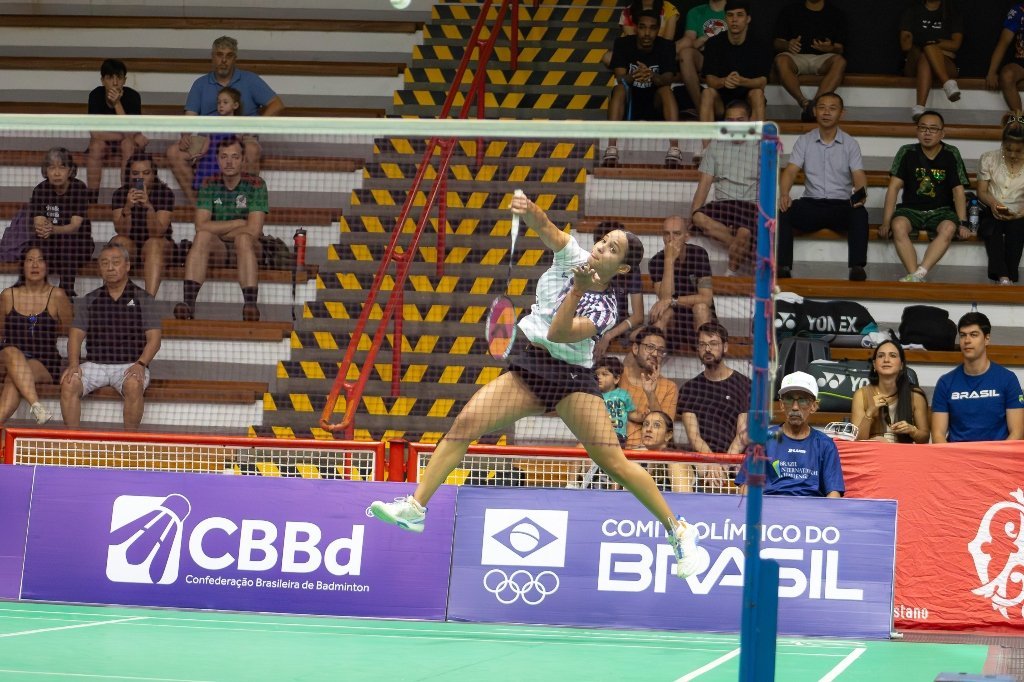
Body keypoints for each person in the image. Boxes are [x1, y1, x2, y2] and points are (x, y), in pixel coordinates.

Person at [368, 194, 701, 580]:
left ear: (622, 267)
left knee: (614, 463)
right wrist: (529, 210)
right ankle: (416, 508)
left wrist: (577, 289)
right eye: (603, 240)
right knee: (464, 426)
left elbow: (560, 332)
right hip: (532, 367)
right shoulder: (573, 256)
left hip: (572, 380)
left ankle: (678, 531)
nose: (601, 248)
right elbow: (549, 229)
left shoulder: (607, 307)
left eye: (612, 249)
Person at [166, 36, 284, 203]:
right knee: (174, 152)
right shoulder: (200, 84)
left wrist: (255, 127)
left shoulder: (250, 80)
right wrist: (185, 134)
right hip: (208, 138)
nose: (223, 60)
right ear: (213, 57)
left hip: (241, 137)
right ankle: (199, 205)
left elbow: (276, 104)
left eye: (228, 56)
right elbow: (189, 117)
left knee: (252, 150)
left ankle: (244, 204)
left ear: (234, 58)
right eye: (219, 54)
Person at [60, 244, 161, 429]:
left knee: (133, 385)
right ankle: (72, 443)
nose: (110, 268)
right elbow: (75, 336)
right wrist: (73, 364)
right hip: (95, 364)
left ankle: (129, 446)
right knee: (69, 383)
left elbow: (154, 339)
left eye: (116, 262)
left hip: (130, 365)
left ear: (128, 266)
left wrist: (141, 364)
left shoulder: (143, 298)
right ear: (99, 268)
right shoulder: (90, 299)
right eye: (105, 263)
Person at [173, 135, 268, 322]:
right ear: (217, 160)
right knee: (202, 236)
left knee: (243, 239)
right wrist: (237, 223)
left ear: (243, 160)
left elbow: (254, 230)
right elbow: (200, 225)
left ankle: (250, 306)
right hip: (220, 249)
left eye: (234, 156)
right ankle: (188, 305)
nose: (229, 162)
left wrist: (220, 228)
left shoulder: (256, 185)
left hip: (249, 247)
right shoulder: (209, 184)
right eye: (224, 157)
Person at [777, 91, 869, 281]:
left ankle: (857, 267)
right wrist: (784, 193)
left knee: (860, 213)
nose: (826, 112)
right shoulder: (804, 140)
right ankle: (783, 266)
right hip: (812, 203)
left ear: (841, 113)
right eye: (822, 107)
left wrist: (860, 194)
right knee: (783, 211)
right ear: (815, 112)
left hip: (841, 205)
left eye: (832, 108)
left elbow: (858, 174)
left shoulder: (850, 143)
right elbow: (791, 170)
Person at [879, 110, 969, 282]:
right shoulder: (906, 151)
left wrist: (963, 223)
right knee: (897, 225)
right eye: (923, 128)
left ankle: (918, 274)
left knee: (949, 228)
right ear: (916, 130)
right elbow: (893, 188)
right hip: (910, 209)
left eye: (933, 129)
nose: (927, 133)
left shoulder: (951, 153)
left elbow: (958, 191)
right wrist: (885, 222)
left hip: (942, 210)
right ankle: (915, 276)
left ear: (943, 132)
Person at [736, 371, 844, 497]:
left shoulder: (825, 445)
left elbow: (834, 494)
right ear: (781, 404)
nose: (795, 407)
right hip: (771, 511)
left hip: (812, 513)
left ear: (814, 406)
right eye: (788, 399)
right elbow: (746, 488)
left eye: (802, 400)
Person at [0, 246, 73, 424]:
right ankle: (36, 405)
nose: (35, 265)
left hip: (43, 361)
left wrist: (73, 364)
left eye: (40, 260)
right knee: (10, 351)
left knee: (16, 378)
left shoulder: (57, 295)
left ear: (47, 265)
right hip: (7, 357)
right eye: (30, 260)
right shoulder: (8, 295)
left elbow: (73, 331)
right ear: (22, 266)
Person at [604, 10, 684, 167]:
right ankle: (611, 148)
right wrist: (634, 75)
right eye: (642, 27)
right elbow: (620, 78)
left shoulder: (666, 46)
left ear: (658, 29)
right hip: (630, 104)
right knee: (619, 89)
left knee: (666, 91)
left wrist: (651, 75)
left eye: (652, 28)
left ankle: (674, 149)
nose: (647, 33)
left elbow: (667, 79)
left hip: (655, 103)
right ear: (636, 28)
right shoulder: (623, 44)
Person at [690, 99, 760, 274]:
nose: (735, 125)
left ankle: (731, 271)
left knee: (744, 233)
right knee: (698, 218)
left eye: (740, 121)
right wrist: (693, 215)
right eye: (730, 121)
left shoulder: (762, 146)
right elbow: (704, 185)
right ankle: (748, 251)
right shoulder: (715, 146)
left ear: (750, 121)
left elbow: (770, 185)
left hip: (750, 205)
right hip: (724, 205)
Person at [931, 312, 1024, 443]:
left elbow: (1017, 433)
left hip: (996, 459)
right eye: (963, 335)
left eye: (974, 335)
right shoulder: (945, 382)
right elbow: (938, 435)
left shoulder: (1007, 379)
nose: (967, 340)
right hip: (957, 459)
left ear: (987, 339)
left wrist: (994, 460)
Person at [677, 322, 749, 492]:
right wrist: (712, 462)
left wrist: (723, 464)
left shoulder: (744, 384)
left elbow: (742, 435)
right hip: (703, 458)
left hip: (735, 457)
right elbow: (694, 437)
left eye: (713, 344)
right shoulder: (689, 388)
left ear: (725, 347)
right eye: (702, 344)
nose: (707, 349)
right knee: (680, 466)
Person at [29, 147, 95, 300]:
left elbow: (74, 226)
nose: (57, 173)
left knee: (68, 241)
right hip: (52, 246)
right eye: (52, 167)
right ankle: (37, 291)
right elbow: (38, 222)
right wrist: (43, 229)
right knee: (34, 245)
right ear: (46, 171)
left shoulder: (79, 189)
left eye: (62, 167)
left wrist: (52, 230)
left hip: (79, 246)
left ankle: (65, 292)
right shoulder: (41, 190)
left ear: (70, 171)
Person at [771, 0, 847, 123]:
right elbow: (776, 42)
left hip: (823, 59)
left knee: (840, 62)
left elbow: (840, 48)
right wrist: (787, 45)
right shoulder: (789, 10)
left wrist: (830, 48)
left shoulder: (836, 14)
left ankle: (816, 105)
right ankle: (804, 102)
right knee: (781, 60)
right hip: (795, 57)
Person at [110, 152, 175, 296]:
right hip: (132, 245)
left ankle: (148, 303)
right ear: (129, 175)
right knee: (118, 242)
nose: (141, 177)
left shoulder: (164, 193)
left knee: (153, 243)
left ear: (153, 174)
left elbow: (157, 232)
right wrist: (127, 207)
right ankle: (111, 300)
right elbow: (121, 230)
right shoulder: (120, 194)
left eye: (146, 173)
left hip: (159, 245)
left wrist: (149, 207)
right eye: (135, 173)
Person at [647, 215, 714, 352]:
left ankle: (706, 355)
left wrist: (673, 301)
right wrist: (669, 261)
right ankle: (655, 363)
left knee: (700, 308)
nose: (671, 239)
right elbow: (664, 298)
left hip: (697, 318)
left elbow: (706, 298)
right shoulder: (656, 261)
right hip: (674, 323)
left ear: (687, 236)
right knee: (664, 314)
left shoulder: (699, 254)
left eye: (677, 234)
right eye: (666, 234)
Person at [699, 0, 770, 123]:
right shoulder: (714, 43)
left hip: (748, 103)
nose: (734, 19)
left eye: (740, 15)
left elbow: (762, 82)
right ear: (725, 18)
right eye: (730, 15)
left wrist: (741, 81)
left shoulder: (760, 44)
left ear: (748, 19)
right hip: (721, 103)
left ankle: (759, 141)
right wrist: (724, 81)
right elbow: (710, 80)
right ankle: (707, 142)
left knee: (757, 93)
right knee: (707, 92)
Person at [86, 58, 146, 199]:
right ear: (102, 80)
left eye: (118, 78)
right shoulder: (95, 96)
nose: (114, 82)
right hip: (104, 143)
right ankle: (92, 200)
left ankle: (127, 197)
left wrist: (117, 103)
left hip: (125, 143)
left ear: (124, 80)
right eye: (109, 78)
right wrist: (129, 135)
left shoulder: (133, 97)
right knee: (96, 147)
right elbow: (95, 134)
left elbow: (129, 135)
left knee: (128, 145)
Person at [850, 339, 930, 443]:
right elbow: (857, 441)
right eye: (881, 356)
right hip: (873, 453)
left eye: (892, 355)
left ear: (901, 365)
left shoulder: (915, 395)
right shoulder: (861, 395)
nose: (886, 360)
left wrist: (912, 430)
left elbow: (925, 439)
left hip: (902, 454)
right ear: (874, 364)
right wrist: (869, 412)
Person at [975, 119, 1024, 285]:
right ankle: (1003, 276)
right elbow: (981, 191)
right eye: (1008, 149)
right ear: (1002, 143)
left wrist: (1018, 213)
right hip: (992, 206)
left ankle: (1010, 275)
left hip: (1020, 211)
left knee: (1017, 230)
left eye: (1018, 151)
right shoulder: (989, 158)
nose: (1012, 155)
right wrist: (994, 204)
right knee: (991, 228)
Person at [899, 0, 963, 121]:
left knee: (927, 53)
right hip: (914, 64)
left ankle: (919, 107)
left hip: (945, 63)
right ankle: (948, 84)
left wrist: (928, 43)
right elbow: (905, 45)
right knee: (926, 51)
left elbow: (955, 44)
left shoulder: (951, 12)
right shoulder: (913, 11)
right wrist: (938, 45)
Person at [592, 221, 645, 359]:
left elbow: (638, 316)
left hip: (619, 324)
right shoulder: (588, 266)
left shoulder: (630, 268)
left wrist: (609, 336)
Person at [620, 325, 679, 448]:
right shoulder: (615, 377)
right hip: (611, 449)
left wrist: (650, 393)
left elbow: (665, 433)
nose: (655, 354)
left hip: (646, 453)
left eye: (661, 351)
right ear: (635, 348)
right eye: (650, 347)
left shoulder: (669, 387)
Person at [676, 0, 726, 117]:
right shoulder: (696, 12)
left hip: (727, 60)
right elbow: (689, 42)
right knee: (685, 53)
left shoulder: (732, 11)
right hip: (704, 60)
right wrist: (704, 39)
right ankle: (700, 108)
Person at [191, 87, 242, 193]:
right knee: (205, 181)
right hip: (211, 156)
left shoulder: (238, 122)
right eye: (219, 103)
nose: (221, 105)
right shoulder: (213, 119)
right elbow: (208, 138)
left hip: (225, 157)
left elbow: (239, 143)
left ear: (235, 105)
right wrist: (202, 153)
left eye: (225, 102)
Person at [985, 3, 1024, 117]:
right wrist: (991, 72)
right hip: (1021, 62)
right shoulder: (1019, 10)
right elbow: (1004, 42)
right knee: (1007, 75)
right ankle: (1019, 122)